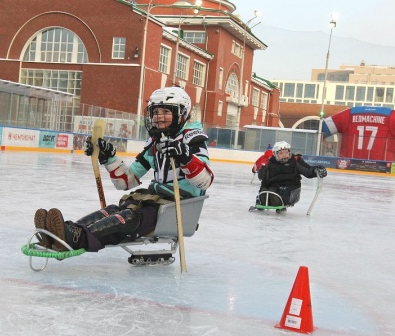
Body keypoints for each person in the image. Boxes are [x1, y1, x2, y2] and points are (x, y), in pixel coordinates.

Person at [34, 86, 214, 252]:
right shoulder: (156, 144)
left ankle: (76, 239)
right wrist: (108, 158)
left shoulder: (192, 140)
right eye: (156, 112)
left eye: (166, 111)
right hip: (156, 202)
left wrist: (185, 156)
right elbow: (126, 181)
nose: (158, 117)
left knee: (130, 217)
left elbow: (205, 180)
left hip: (178, 208)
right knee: (113, 210)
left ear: (182, 113)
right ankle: (66, 232)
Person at [255, 141, 327, 211]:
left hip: (291, 188)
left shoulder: (295, 160)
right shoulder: (271, 163)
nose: (284, 155)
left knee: (283, 192)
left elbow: (307, 171)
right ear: (275, 154)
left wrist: (316, 170)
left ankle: (278, 200)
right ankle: (264, 199)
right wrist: (261, 192)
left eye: (286, 152)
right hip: (275, 186)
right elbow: (265, 181)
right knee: (268, 191)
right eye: (281, 153)